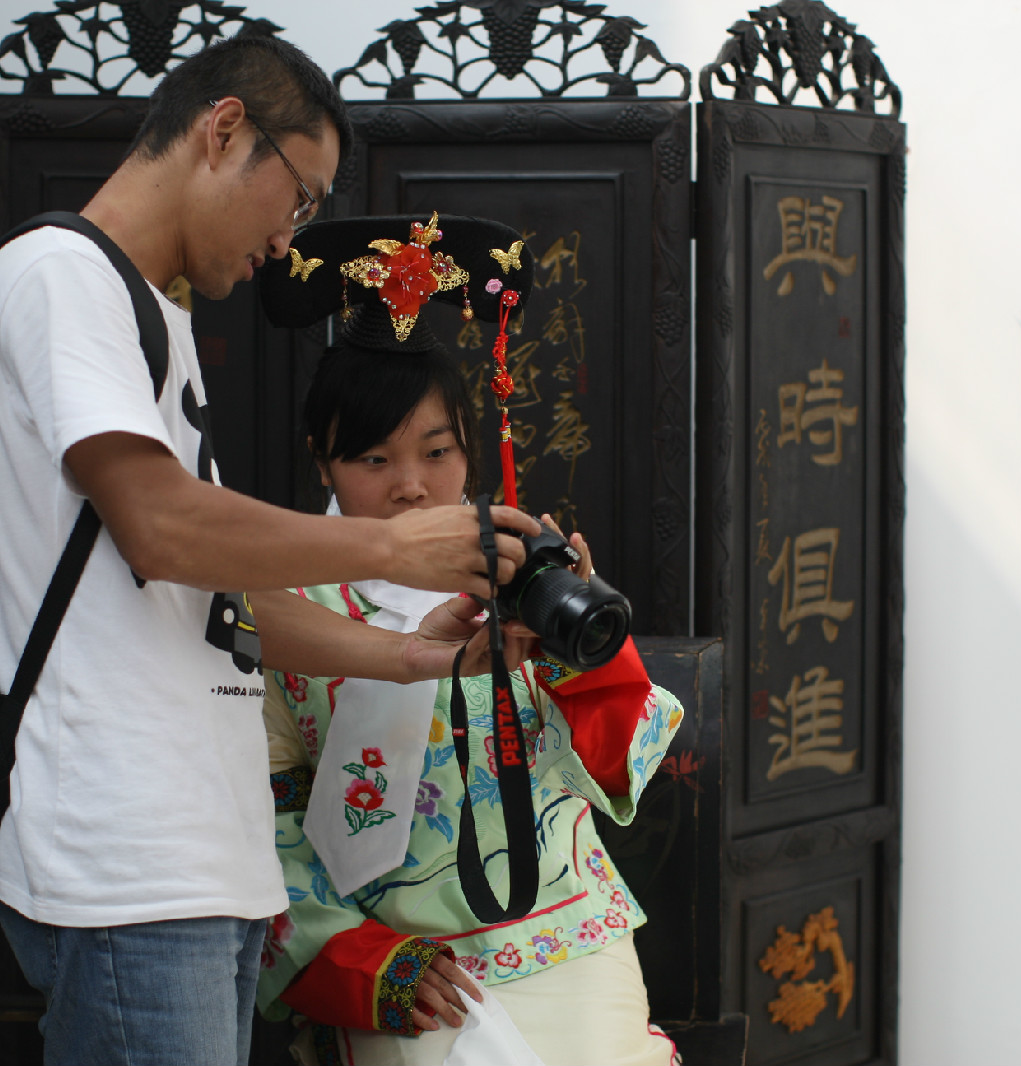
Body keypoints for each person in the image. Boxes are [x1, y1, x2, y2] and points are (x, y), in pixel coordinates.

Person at [0, 40, 542, 1065]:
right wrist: (392, 547)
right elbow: (162, 524)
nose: (288, 240)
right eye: (299, 197)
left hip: (200, 856)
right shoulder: (60, 275)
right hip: (126, 859)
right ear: (223, 128)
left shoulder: (158, 318)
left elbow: (214, 593)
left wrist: (417, 657)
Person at [253, 214, 684, 1066]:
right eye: (371, 460)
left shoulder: (520, 577)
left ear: (469, 448)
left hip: (567, 933)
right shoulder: (280, 605)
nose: (412, 486)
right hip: (408, 964)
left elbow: (617, 762)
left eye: (437, 450)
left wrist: (582, 651)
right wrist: (363, 964)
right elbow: (263, 828)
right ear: (321, 460)